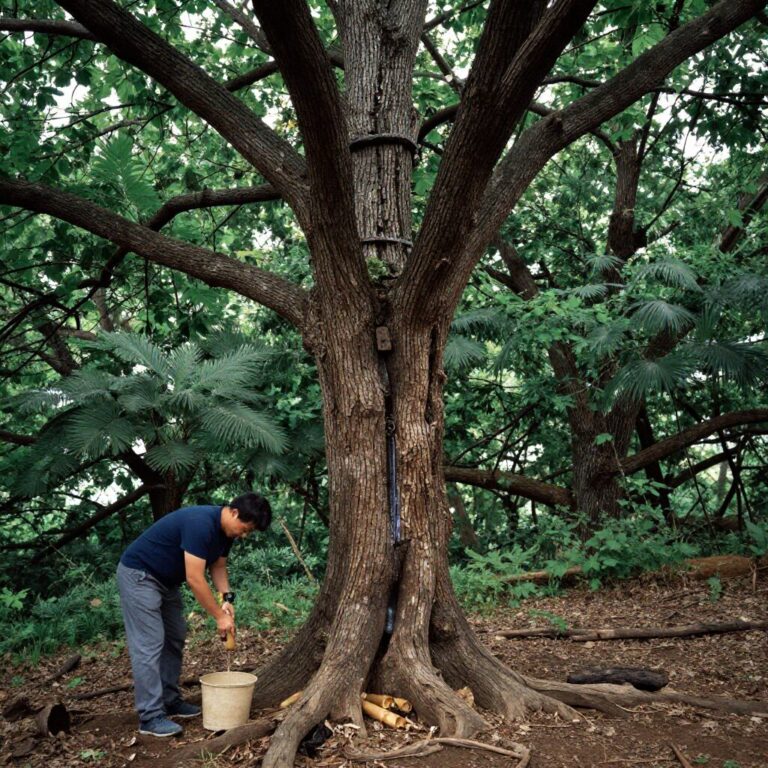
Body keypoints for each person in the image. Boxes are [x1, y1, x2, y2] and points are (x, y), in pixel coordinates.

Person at [116, 492, 271, 737]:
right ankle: (150, 716)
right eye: (245, 528)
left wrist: (227, 600)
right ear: (234, 512)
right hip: (140, 575)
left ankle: (170, 700)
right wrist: (219, 617)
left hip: (166, 582)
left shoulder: (226, 532)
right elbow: (195, 578)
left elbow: (218, 566)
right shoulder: (201, 524)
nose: (244, 535)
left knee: (175, 636)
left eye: (248, 532)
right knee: (149, 643)